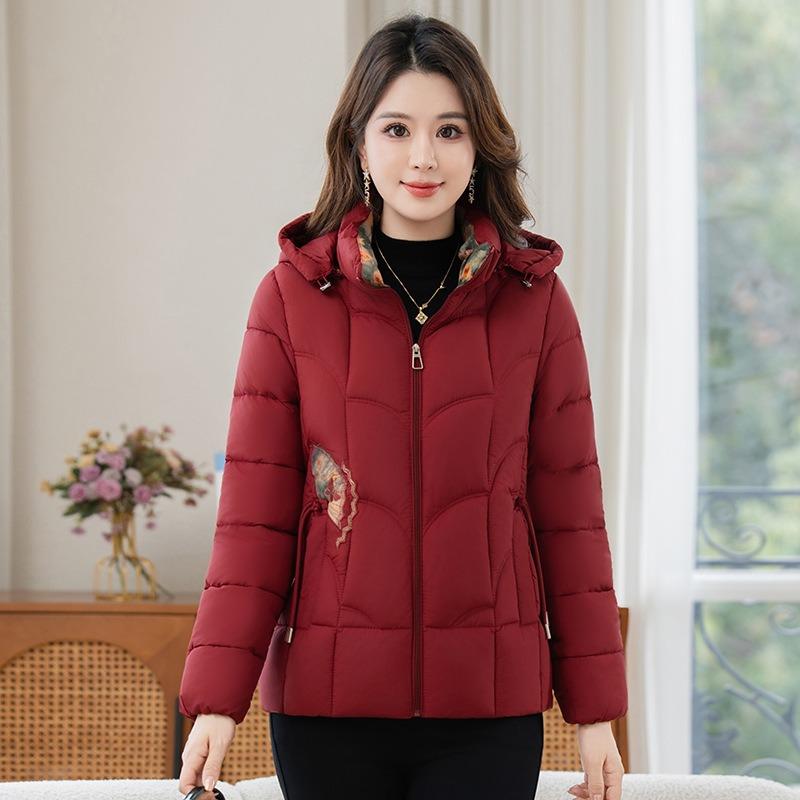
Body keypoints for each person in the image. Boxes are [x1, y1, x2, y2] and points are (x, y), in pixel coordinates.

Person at [178, 12, 627, 800]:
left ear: (479, 146)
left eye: (449, 130)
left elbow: (570, 517)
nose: (424, 156)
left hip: (489, 711)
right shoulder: (292, 297)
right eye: (397, 129)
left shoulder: (534, 301)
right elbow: (255, 517)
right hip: (326, 711)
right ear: (359, 143)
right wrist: (217, 700)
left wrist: (595, 714)